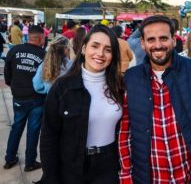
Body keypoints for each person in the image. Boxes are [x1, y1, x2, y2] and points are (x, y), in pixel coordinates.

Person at [119, 15, 191, 183]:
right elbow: (125, 133)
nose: (158, 45)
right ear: (142, 43)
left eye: (163, 38)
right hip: (148, 177)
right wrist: (126, 175)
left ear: (174, 40)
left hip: (189, 175)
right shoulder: (131, 79)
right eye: (151, 39)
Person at [40, 25, 124, 183]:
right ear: (84, 49)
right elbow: (48, 137)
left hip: (110, 165)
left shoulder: (120, 85)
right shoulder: (62, 87)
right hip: (72, 166)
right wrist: (51, 177)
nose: (100, 54)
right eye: (95, 46)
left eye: (108, 49)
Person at [3, 25, 46, 171]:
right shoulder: (43, 55)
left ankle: (9, 159)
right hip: (37, 99)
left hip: (19, 97)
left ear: (29, 36)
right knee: (33, 130)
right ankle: (30, 162)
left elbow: (7, 71)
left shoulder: (14, 50)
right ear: (41, 38)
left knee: (17, 127)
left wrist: (11, 84)